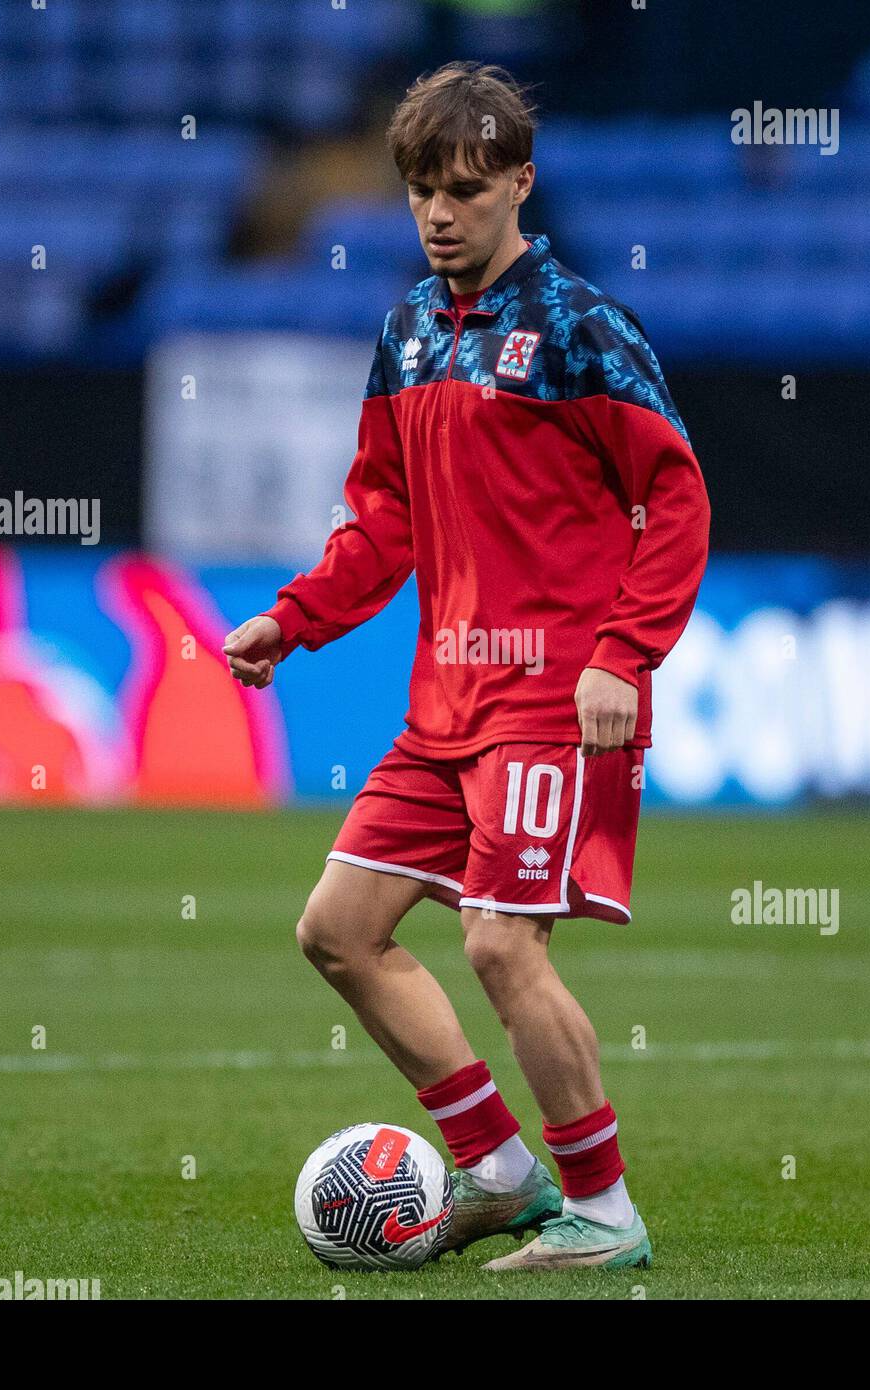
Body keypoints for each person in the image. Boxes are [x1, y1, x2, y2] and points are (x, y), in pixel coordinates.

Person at [224, 61, 709, 1271]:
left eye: (465, 188)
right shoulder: (404, 334)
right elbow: (382, 516)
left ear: (518, 183)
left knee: (500, 942)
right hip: (442, 703)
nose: (440, 213)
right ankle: (497, 1171)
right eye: (420, 192)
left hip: (552, 699)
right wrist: (297, 618)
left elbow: (675, 498)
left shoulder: (583, 329)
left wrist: (623, 655)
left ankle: (604, 1210)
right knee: (337, 928)